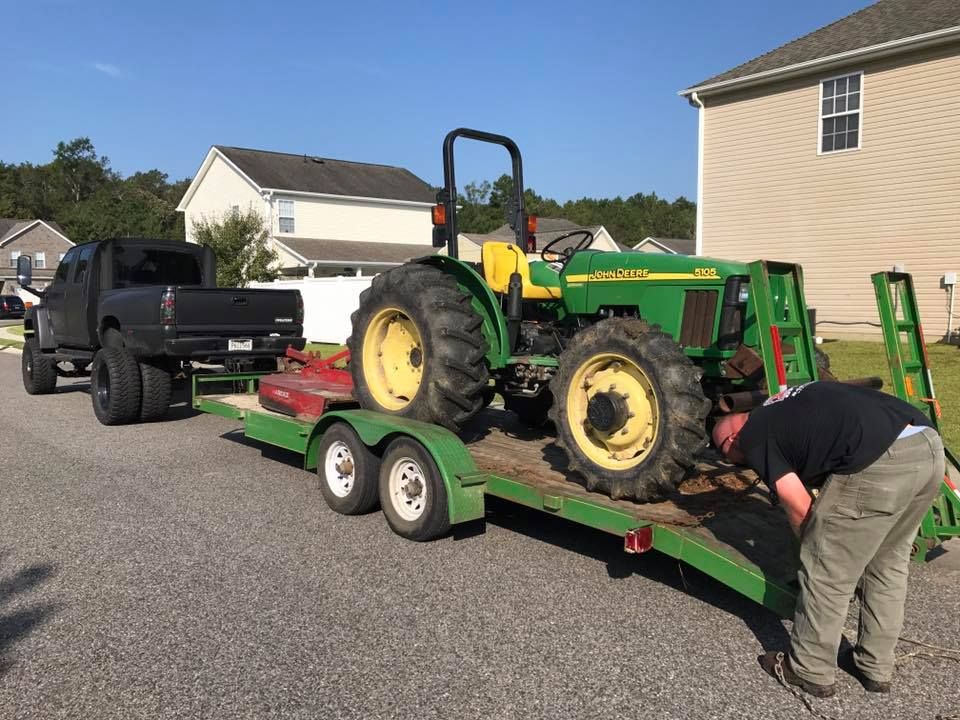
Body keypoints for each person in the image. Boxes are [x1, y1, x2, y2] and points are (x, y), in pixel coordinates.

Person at [713, 381, 944, 697]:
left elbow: (798, 504)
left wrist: (815, 549)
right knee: (887, 565)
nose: (736, 462)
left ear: (732, 438)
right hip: (926, 447)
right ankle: (874, 666)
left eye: (728, 456)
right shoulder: (783, 404)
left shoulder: (753, 435)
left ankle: (809, 669)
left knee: (827, 570)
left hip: (879, 459)